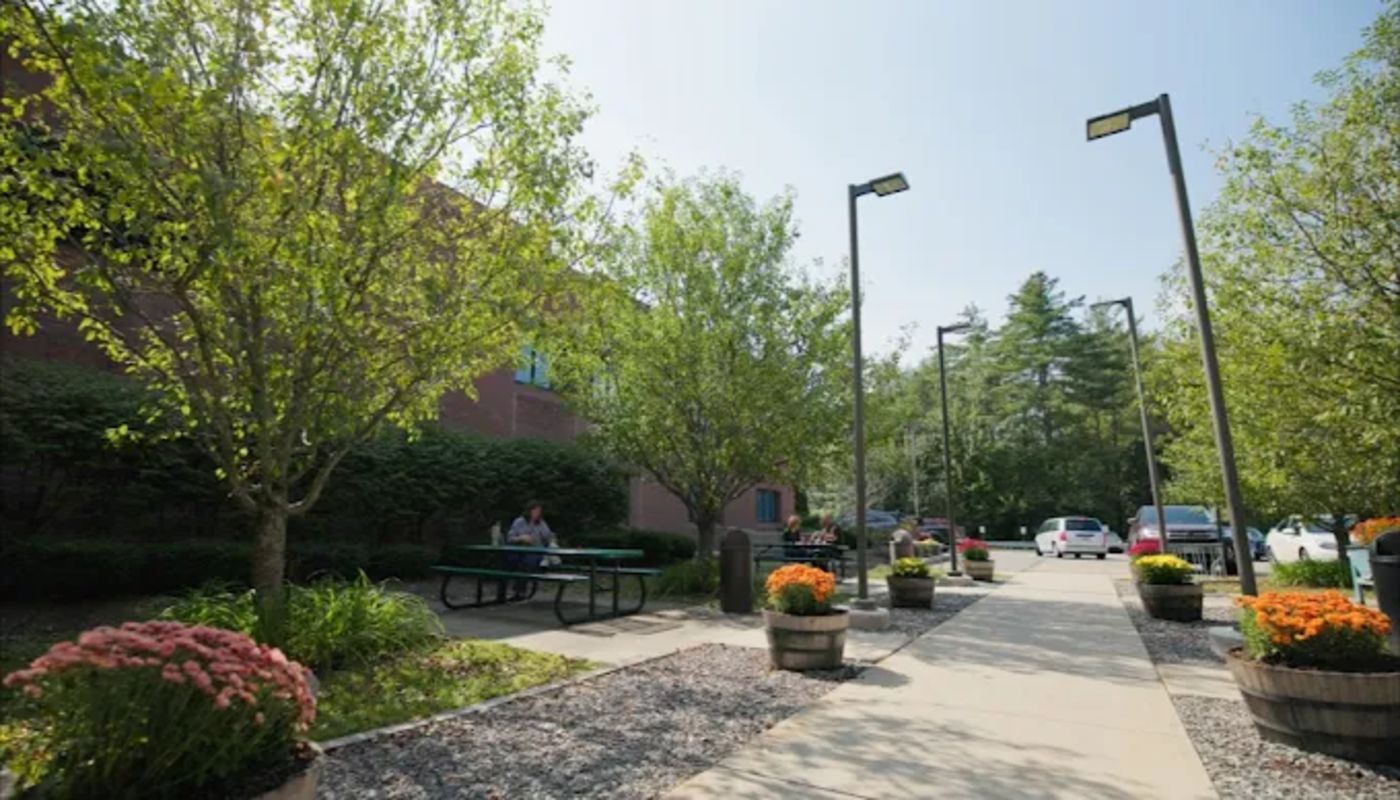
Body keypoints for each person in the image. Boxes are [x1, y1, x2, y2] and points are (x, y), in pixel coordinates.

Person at [505, 500, 555, 599]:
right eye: (535, 510)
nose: (537, 513)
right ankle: (507, 591)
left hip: (535, 552)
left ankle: (519, 592)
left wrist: (547, 538)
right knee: (507, 559)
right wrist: (520, 538)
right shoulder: (519, 522)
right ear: (529, 511)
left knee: (527, 561)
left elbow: (548, 538)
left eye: (539, 511)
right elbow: (509, 538)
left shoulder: (541, 523)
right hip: (519, 550)